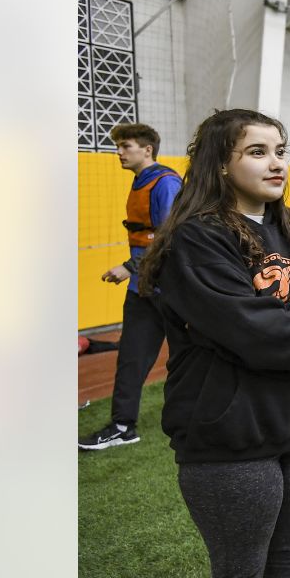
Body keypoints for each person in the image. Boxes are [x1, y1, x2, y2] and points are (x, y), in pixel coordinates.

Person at [140, 108, 290, 578]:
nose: (276, 163)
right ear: (219, 165)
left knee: (287, 555)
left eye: (280, 151)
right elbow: (255, 332)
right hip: (231, 436)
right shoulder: (196, 239)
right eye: (257, 152)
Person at [79, 123, 182, 451]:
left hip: (174, 291)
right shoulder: (140, 182)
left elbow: (170, 237)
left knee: (191, 358)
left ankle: (203, 421)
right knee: (131, 357)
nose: (119, 152)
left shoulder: (166, 183)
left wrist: (129, 266)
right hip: (142, 289)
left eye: (126, 146)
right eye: (119, 146)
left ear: (147, 149)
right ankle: (123, 426)